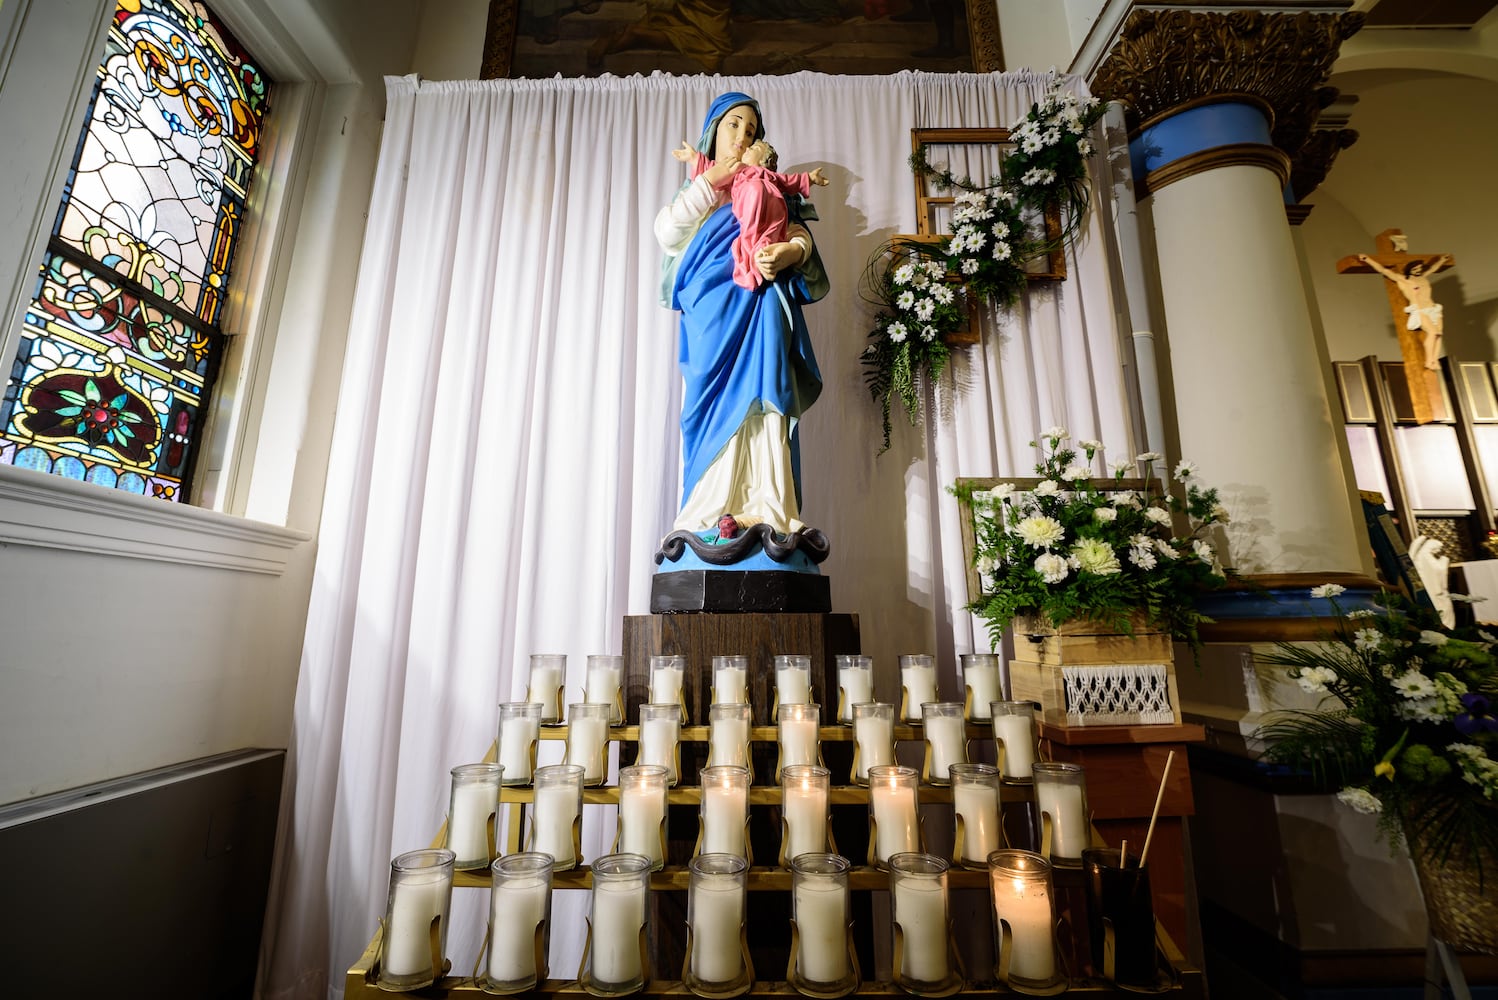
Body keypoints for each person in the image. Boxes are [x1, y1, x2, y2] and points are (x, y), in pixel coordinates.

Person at [655, 92, 829, 540]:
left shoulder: (767, 184)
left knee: (767, 389)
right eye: (733, 125)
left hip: (762, 302)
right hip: (711, 309)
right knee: (710, 403)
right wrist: (710, 180)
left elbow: (797, 235)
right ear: (714, 130)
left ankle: (767, 506)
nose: (741, 136)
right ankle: (708, 508)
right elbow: (668, 231)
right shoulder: (701, 186)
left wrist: (789, 251)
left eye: (750, 131)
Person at [671, 137, 830, 290]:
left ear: (763, 161)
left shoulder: (769, 175)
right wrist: (694, 157)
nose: (747, 148)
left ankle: (765, 254)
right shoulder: (736, 170)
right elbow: (712, 168)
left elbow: (789, 181)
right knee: (753, 231)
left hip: (774, 206)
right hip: (751, 201)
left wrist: (809, 178)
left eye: (754, 148)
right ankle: (755, 259)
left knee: (772, 231)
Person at [1358, 253, 1452, 371]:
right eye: (1415, 269)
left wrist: (1442, 260)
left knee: (1438, 334)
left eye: (1419, 268)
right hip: (1420, 309)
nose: (1418, 271)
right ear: (1410, 270)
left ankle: (1435, 359)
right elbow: (1383, 270)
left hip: (1433, 308)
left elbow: (1433, 268)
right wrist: (1367, 259)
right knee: (1432, 332)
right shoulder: (1404, 280)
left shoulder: (1423, 277)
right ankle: (1429, 360)